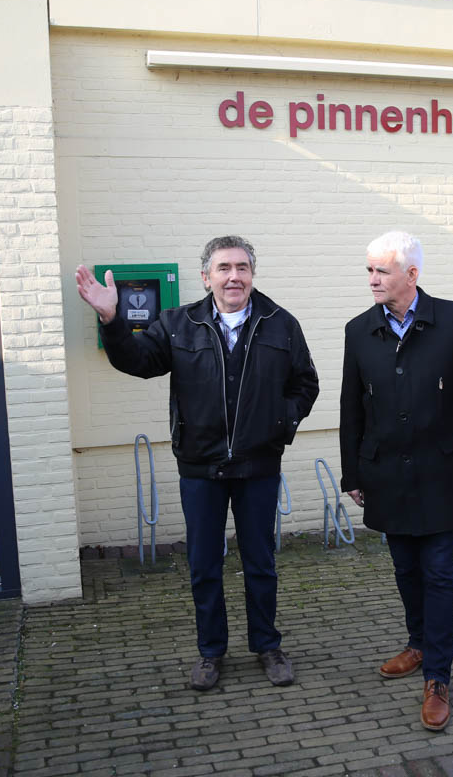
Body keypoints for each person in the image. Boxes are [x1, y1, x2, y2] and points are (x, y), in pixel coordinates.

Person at [76, 235, 319, 691]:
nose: (234, 276)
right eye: (224, 268)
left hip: (258, 466)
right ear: (206, 277)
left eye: (242, 267)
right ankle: (211, 652)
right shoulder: (178, 324)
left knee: (261, 562)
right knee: (204, 565)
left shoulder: (281, 324)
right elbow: (137, 361)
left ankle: (267, 645)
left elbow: (305, 383)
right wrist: (111, 319)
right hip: (200, 467)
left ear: (252, 275)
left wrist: (278, 424)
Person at [339, 230, 453, 732]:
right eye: (369, 270)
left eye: (381, 271)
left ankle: (438, 677)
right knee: (405, 569)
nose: (372, 280)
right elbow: (351, 406)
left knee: (438, 574)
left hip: (440, 472)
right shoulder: (358, 330)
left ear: (411, 274)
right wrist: (352, 471)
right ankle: (417, 643)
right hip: (386, 472)